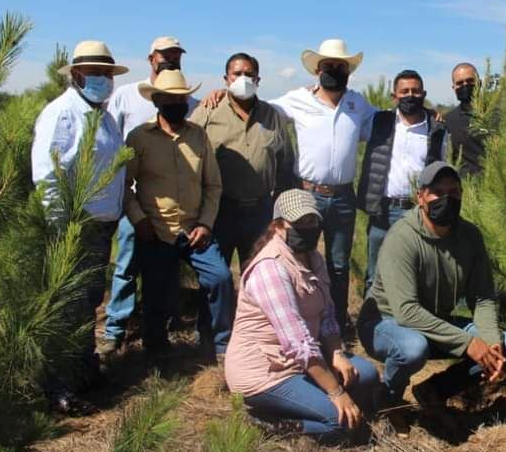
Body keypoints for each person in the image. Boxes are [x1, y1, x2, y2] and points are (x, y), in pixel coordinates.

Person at [358, 161, 506, 432]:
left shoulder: (470, 236)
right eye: (437, 192)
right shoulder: (402, 237)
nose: (447, 199)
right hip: (385, 324)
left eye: (454, 192)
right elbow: (406, 311)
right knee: (412, 349)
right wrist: (469, 343)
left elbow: (482, 297)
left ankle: (433, 391)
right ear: (420, 197)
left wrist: (491, 343)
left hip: (433, 323)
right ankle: (388, 399)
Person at [226, 190, 379, 445]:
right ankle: (277, 424)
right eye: (299, 223)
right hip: (268, 372)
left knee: (368, 376)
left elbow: (327, 313)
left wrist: (337, 354)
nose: (308, 229)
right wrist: (336, 392)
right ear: (278, 226)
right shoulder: (270, 269)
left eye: (312, 222)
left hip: (300, 362)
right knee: (341, 424)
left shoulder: (313, 258)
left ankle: (303, 402)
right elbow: (299, 344)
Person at [31, 41, 129, 411]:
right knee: (68, 305)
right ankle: (57, 386)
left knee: (88, 302)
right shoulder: (62, 114)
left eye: (107, 73)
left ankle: (83, 370)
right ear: (76, 75)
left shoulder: (101, 115)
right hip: (74, 228)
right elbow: (48, 175)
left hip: (101, 225)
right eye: (96, 73)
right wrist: (63, 230)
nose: (103, 79)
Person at [124, 69, 235, 362]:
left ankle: (220, 344)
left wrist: (205, 224)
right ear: (157, 101)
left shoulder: (199, 136)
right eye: (170, 99)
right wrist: (139, 220)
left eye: (182, 98)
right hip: (156, 230)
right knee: (155, 292)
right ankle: (156, 347)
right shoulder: (138, 139)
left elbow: (213, 185)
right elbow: (123, 187)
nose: (178, 104)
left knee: (221, 279)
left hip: (194, 231)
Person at [268, 39, 376, 329]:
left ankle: (337, 321)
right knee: (301, 260)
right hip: (307, 194)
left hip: (343, 197)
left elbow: (389, 122)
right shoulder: (298, 99)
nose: (334, 71)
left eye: (340, 66)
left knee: (338, 265)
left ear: (348, 71)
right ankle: (305, 321)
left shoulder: (358, 104)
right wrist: (221, 96)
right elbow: (261, 109)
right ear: (317, 69)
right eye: (328, 66)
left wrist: (429, 116)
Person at [102, 36, 197, 355]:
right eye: (164, 55)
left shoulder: (189, 101)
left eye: (175, 55)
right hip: (135, 199)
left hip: (172, 206)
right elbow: (111, 140)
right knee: (127, 265)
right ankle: (116, 328)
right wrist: (133, 210)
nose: (170, 60)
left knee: (164, 271)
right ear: (150, 58)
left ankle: (159, 323)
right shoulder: (127, 95)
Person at [189, 52, 295, 269]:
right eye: (237, 74)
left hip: (260, 211)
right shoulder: (208, 111)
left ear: (258, 80)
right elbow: (188, 155)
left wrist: (281, 214)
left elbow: (285, 165)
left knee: (259, 271)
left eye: (249, 74)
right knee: (217, 276)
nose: (243, 79)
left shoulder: (272, 116)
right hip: (220, 209)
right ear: (226, 78)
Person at [357, 69, 447, 294]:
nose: (410, 96)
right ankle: (371, 325)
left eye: (416, 91)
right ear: (394, 96)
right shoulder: (379, 122)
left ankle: (407, 324)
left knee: (415, 274)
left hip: (417, 212)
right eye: (404, 91)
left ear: (423, 94)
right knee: (375, 274)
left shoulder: (435, 130)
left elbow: (442, 166)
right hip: (383, 211)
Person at [443, 62, 486, 177]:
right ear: (454, 88)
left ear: (479, 83)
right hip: (464, 189)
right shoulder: (447, 121)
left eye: (470, 81)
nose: (465, 85)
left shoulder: (498, 115)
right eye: (460, 83)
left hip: (496, 188)